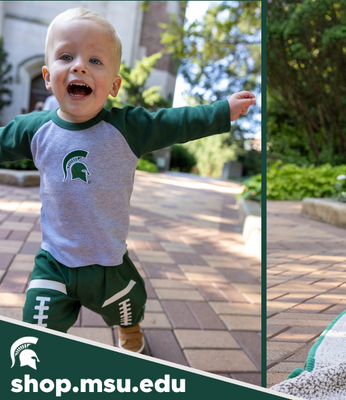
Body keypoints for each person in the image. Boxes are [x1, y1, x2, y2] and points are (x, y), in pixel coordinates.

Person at [4, 8, 255, 354]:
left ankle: (130, 329)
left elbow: (175, 122)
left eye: (95, 60)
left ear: (114, 86)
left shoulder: (128, 127)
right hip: (54, 260)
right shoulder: (34, 129)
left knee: (129, 305)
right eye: (66, 56)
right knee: (36, 325)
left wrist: (220, 110)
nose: (79, 66)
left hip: (108, 263)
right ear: (47, 76)